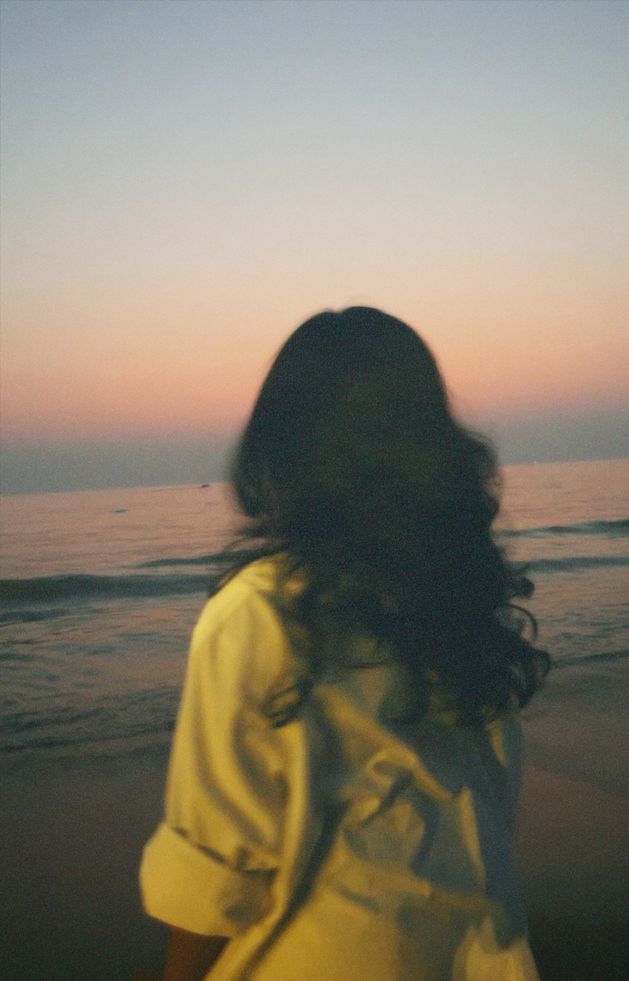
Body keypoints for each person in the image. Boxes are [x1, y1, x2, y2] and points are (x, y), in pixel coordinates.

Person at [139, 307, 549, 980]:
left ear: (288, 441)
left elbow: (216, 865)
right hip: (469, 952)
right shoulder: (461, 601)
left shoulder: (263, 612)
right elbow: (486, 807)